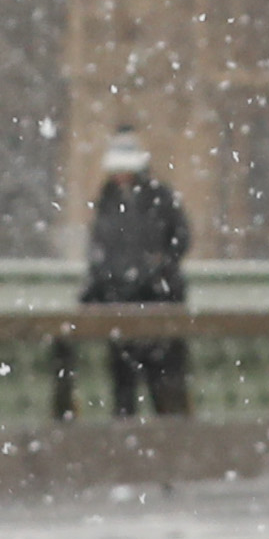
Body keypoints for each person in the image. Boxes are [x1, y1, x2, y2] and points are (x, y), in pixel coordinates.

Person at [81, 129, 193, 415]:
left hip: (152, 302)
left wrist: (157, 268)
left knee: (162, 385)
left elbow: (181, 239)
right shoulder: (111, 200)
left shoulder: (155, 197)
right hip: (124, 302)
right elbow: (100, 250)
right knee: (126, 387)